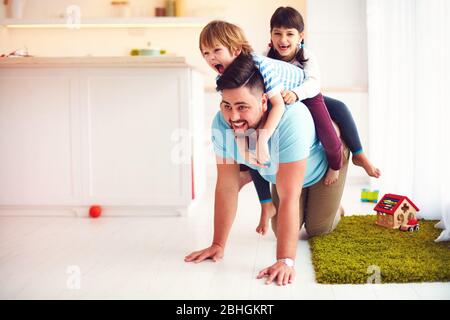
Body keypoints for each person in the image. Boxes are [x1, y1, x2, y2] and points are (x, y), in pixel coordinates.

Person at [184, 53, 349, 286]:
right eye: (227, 106)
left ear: (263, 102)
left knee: (317, 229)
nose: (233, 116)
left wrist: (286, 261)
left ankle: (335, 208)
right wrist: (217, 244)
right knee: (277, 227)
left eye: (242, 107)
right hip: (285, 176)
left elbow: (289, 195)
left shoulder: (291, 120)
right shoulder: (221, 124)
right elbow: (226, 186)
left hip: (324, 170)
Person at [199, 20, 343, 235]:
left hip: (301, 91)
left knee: (327, 127)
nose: (211, 58)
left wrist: (263, 139)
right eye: (205, 53)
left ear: (236, 50)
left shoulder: (259, 65)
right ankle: (264, 199)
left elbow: (277, 104)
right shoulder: (223, 77)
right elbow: (233, 120)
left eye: (216, 50)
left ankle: (337, 162)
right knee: (252, 145)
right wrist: (243, 146)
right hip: (276, 106)